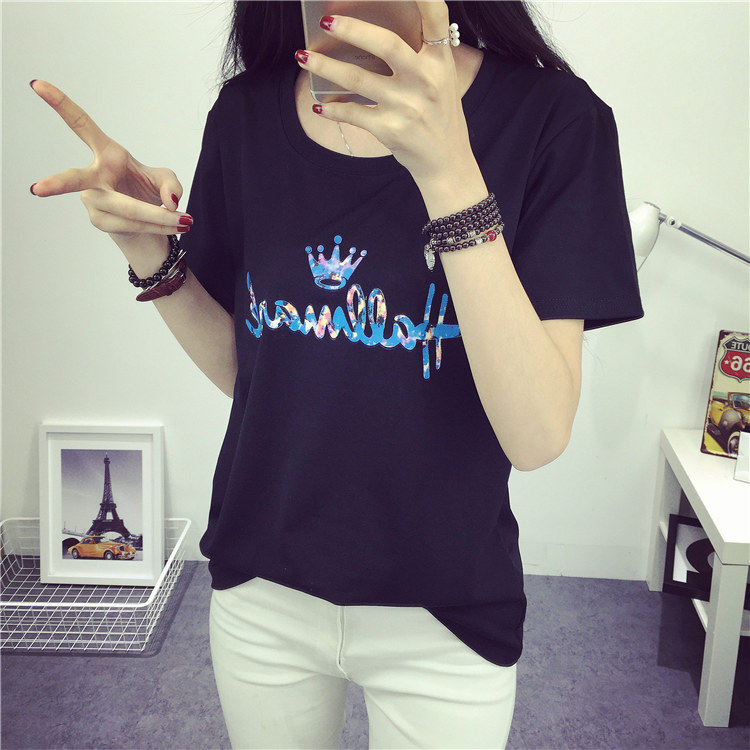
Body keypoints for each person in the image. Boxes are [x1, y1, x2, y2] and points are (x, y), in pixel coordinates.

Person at [28, 1, 645, 747]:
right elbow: (253, 376)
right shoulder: (246, 114)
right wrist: (146, 249)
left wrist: (449, 172)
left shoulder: (554, 117)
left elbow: (537, 434)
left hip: (444, 609)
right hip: (261, 586)